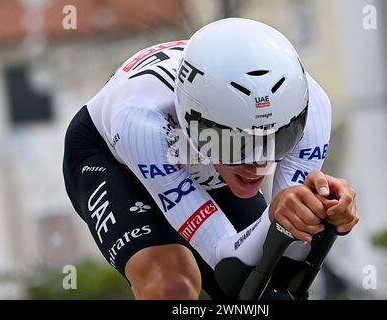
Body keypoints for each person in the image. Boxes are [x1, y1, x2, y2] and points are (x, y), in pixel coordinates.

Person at [63, 18, 358, 300]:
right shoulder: (139, 121)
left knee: (270, 294)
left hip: (205, 159)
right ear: (196, 124)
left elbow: (286, 267)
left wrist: (325, 215)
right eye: (238, 144)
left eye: (275, 139)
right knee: (171, 285)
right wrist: (275, 218)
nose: (258, 164)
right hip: (115, 158)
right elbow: (227, 262)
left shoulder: (310, 107)